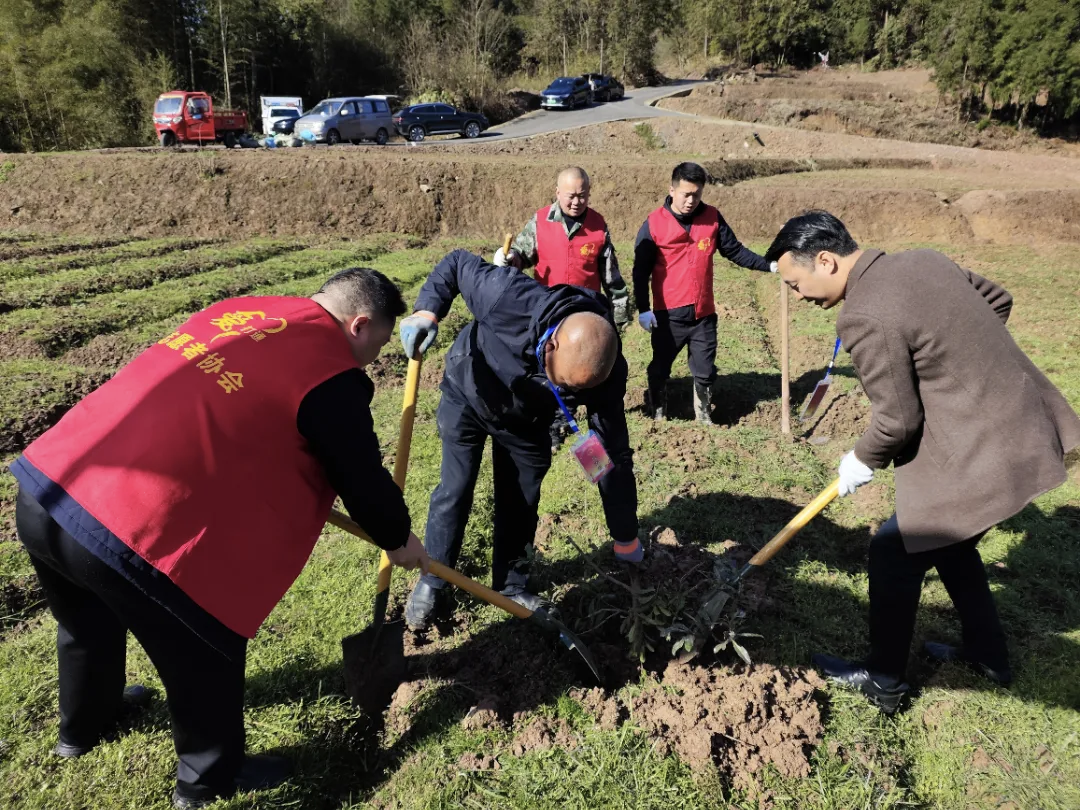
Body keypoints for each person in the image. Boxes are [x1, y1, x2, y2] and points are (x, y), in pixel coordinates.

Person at [9, 269, 430, 809]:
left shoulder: (247, 311)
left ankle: (82, 728)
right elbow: (360, 475)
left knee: (85, 623)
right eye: (373, 347)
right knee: (205, 646)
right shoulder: (329, 370)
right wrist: (397, 536)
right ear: (358, 324)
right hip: (128, 523)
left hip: (51, 482)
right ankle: (207, 779)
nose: (368, 360)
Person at [765, 210, 1080, 714]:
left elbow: (897, 421)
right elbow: (998, 299)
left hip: (982, 449)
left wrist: (858, 463)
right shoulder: (923, 260)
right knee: (952, 546)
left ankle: (884, 679)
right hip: (1022, 424)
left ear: (825, 260)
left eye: (796, 283)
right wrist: (958, 364)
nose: (799, 297)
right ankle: (988, 654)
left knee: (894, 552)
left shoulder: (863, 313)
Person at [398, 249, 644, 631]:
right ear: (552, 345)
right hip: (470, 393)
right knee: (455, 488)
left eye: (572, 391)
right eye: (559, 380)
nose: (562, 389)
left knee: (521, 499)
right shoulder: (506, 296)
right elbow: (457, 263)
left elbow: (609, 455)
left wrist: (625, 535)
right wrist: (427, 311)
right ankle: (433, 578)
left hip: (528, 421)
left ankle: (511, 585)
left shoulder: (606, 372)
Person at [497, 166, 632, 450]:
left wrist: (620, 315)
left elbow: (612, 276)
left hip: (586, 315)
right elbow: (522, 254)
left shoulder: (598, 225)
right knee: (550, 371)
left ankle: (595, 429)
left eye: (582, 196)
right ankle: (555, 422)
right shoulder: (540, 222)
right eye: (570, 196)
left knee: (590, 372)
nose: (576, 202)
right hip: (549, 313)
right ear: (558, 192)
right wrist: (510, 258)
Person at [633, 161, 775, 424]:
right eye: (686, 194)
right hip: (668, 315)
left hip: (703, 314)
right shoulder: (653, 225)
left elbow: (735, 251)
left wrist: (770, 265)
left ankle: (703, 415)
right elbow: (640, 272)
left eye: (696, 194)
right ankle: (659, 411)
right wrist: (643, 309)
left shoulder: (712, 218)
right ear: (672, 190)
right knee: (660, 367)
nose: (691, 200)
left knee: (706, 370)